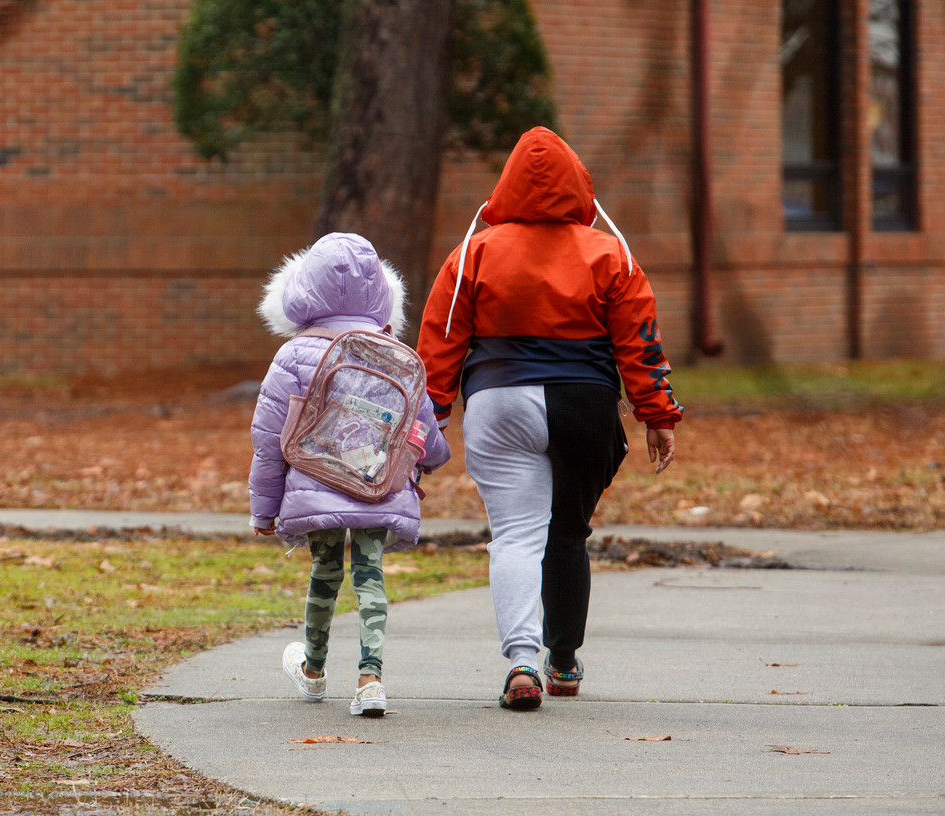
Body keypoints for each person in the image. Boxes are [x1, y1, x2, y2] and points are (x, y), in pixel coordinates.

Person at [416, 127, 682, 710]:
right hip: (583, 404)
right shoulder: (609, 254)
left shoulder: (473, 254)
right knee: (567, 532)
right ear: (579, 185)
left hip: (498, 400)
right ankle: (564, 660)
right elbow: (640, 341)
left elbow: (440, 345)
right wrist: (656, 414)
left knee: (514, 534)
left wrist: (426, 425)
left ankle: (521, 664)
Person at [249, 232, 451, 717]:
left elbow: (268, 440)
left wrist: (264, 510)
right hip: (378, 487)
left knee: (325, 570)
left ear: (304, 290)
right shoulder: (397, 356)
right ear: (382, 291)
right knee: (369, 573)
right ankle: (370, 680)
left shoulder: (294, 355)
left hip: (317, 487)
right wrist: (434, 456)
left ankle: (314, 671)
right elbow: (426, 432)